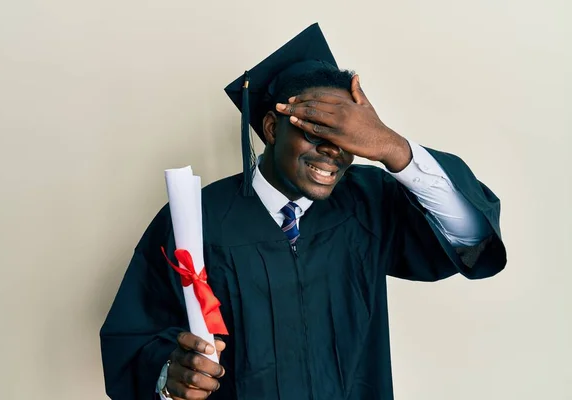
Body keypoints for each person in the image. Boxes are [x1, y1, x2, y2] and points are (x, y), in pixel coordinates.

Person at [100, 23, 506, 400]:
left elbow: (469, 237)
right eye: (317, 130)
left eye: (347, 135)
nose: (333, 149)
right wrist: (170, 374)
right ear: (273, 130)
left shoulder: (368, 203)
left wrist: (392, 148)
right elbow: (135, 338)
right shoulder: (197, 218)